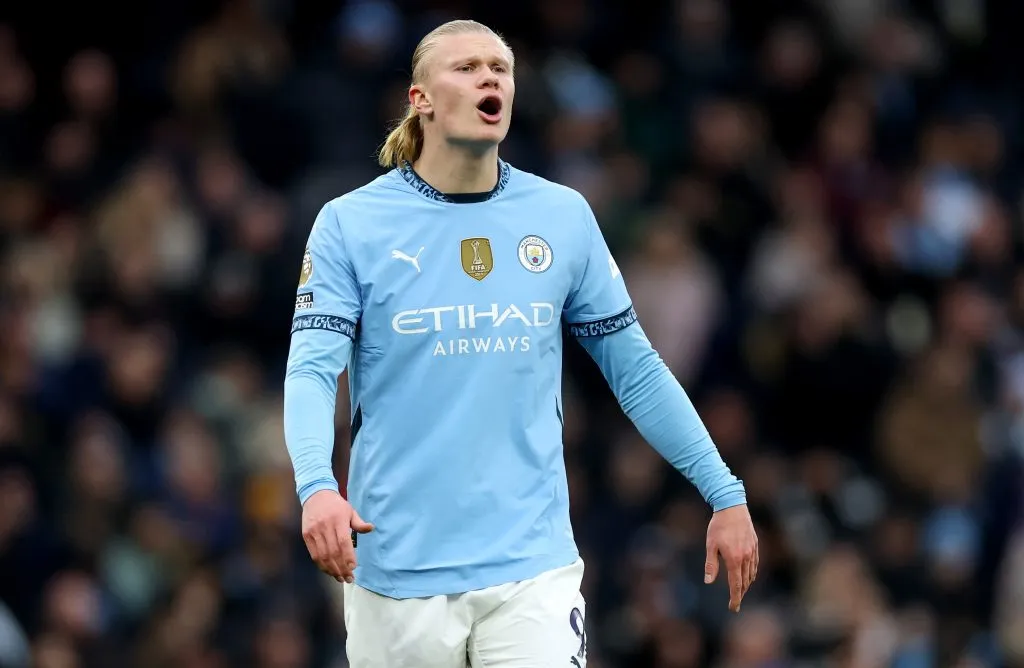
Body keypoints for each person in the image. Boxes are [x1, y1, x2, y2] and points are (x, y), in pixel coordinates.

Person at [282, 18, 758, 667]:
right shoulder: (351, 225)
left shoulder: (561, 217)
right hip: (397, 569)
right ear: (419, 99)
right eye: (467, 67)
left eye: (500, 69)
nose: (489, 78)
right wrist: (316, 487)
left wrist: (723, 490)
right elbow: (311, 371)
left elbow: (636, 370)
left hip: (531, 567)